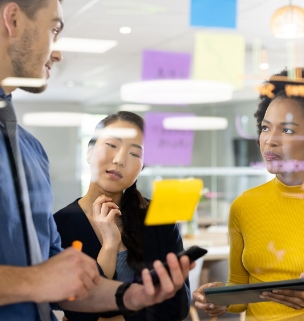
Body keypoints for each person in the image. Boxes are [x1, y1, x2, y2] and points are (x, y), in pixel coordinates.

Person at [0, 1, 193, 320]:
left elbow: (63, 283)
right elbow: (46, 280)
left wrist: (132, 295)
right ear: (13, 19)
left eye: (135, 152)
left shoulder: (31, 152)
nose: (58, 52)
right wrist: (35, 282)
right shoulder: (66, 212)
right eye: (54, 29)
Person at [193, 67, 304, 321]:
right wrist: (222, 298)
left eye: (287, 130)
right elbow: (241, 292)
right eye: (265, 128)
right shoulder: (244, 205)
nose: (270, 140)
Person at [54, 111, 191, 321]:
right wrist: (110, 245)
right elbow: (79, 311)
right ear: (89, 151)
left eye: (135, 154)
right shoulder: (60, 225)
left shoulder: (158, 217)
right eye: (111, 145)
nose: (119, 160)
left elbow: (179, 305)